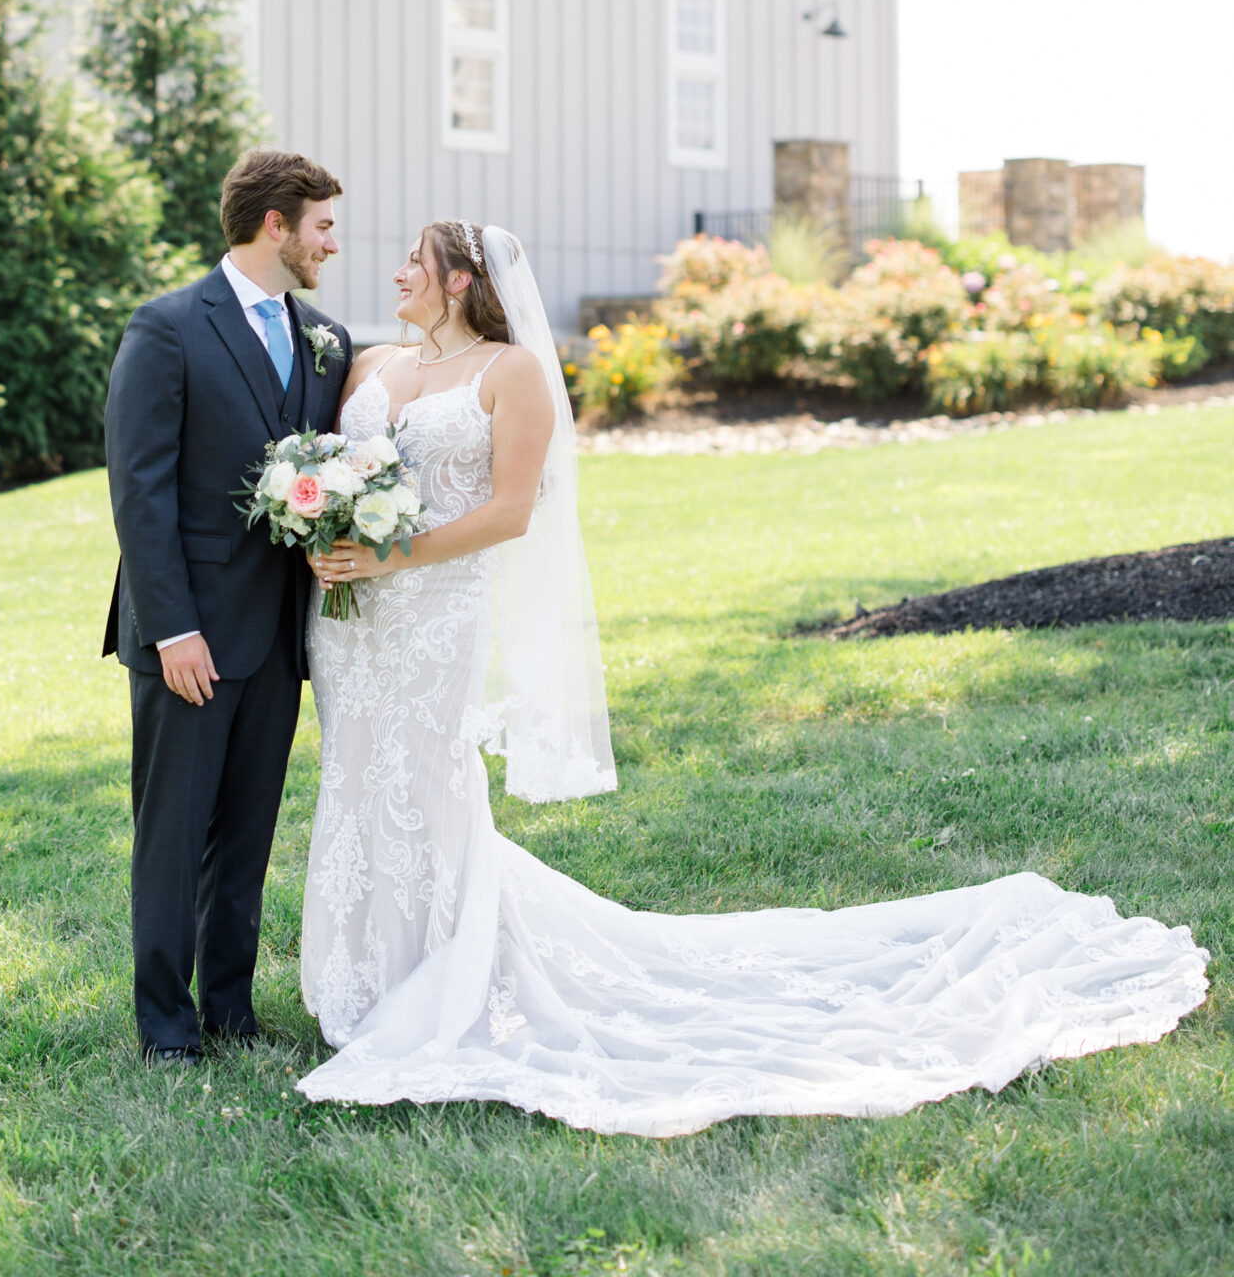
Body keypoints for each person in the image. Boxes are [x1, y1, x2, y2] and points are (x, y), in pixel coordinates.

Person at [295, 219, 1208, 1139]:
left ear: (459, 281)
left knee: (429, 784)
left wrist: (394, 556)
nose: (400, 271)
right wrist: (331, 537)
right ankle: (362, 975)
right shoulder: (370, 366)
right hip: (353, 627)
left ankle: (437, 976)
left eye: (418, 260)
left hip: (436, 616)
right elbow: (337, 475)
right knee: (359, 779)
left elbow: (508, 512)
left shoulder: (511, 373)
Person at [104, 148, 350, 1062]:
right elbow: (140, 491)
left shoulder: (327, 338)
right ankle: (167, 1027)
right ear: (276, 226)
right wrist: (173, 628)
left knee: (247, 830)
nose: (334, 242)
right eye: (322, 225)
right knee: (173, 835)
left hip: (279, 635)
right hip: (190, 633)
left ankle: (231, 1010)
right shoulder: (167, 327)